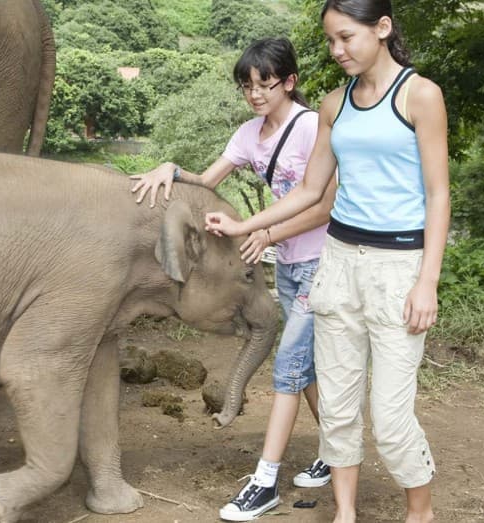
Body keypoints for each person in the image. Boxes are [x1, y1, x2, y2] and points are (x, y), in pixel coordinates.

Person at [205, 1, 449, 522]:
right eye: (331, 41)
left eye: (346, 38)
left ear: (381, 28)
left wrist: (427, 281)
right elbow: (314, 191)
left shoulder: (420, 95)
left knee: (388, 414)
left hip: (398, 267)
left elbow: (438, 194)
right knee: (337, 404)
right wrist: (248, 227)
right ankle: (343, 512)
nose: (337, 51)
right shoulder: (334, 106)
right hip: (337, 263)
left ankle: (420, 512)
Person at [130, 37, 338, 521]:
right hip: (287, 264)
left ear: (289, 82)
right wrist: (170, 168)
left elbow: (326, 206)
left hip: (324, 262)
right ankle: (336, 451)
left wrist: (264, 232)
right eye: (247, 86)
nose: (256, 94)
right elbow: (208, 180)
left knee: (287, 364)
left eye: (264, 84)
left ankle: (264, 482)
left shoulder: (311, 128)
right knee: (304, 364)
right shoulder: (249, 134)